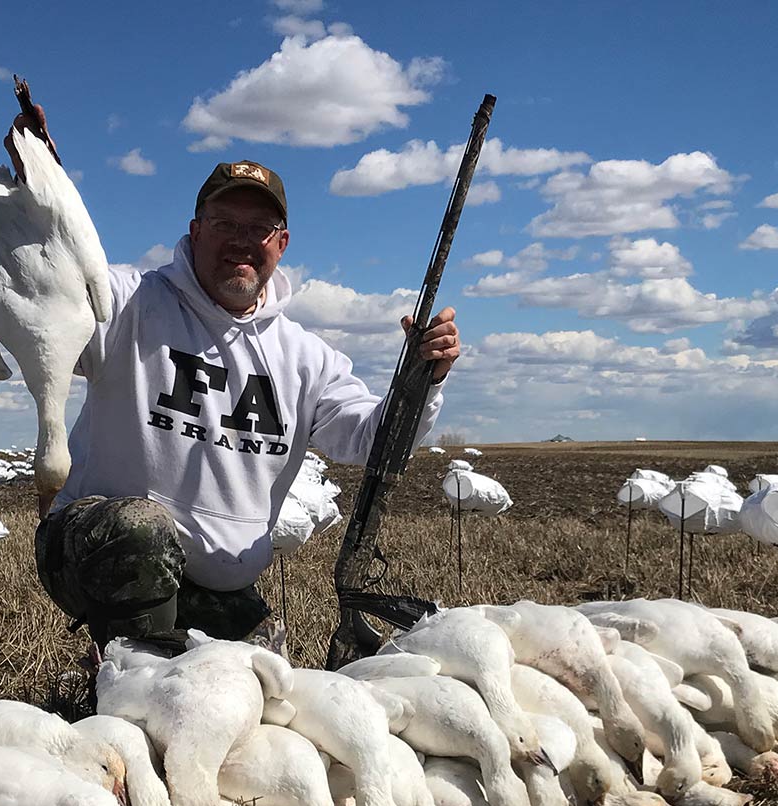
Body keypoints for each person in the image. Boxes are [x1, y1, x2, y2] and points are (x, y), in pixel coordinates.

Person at [29, 136, 460, 652]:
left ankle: (169, 654)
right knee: (139, 537)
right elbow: (57, 304)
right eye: (225, 224)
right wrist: (42, 190)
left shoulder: (306, 357)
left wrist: (421, 380)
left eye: (258, 229)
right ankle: (128, 682)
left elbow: (371, 443)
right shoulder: (129, 302)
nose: (241, 240)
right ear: (195, 231)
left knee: (265, 693)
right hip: (96, 547)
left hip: (213, 578)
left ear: (281, 243)